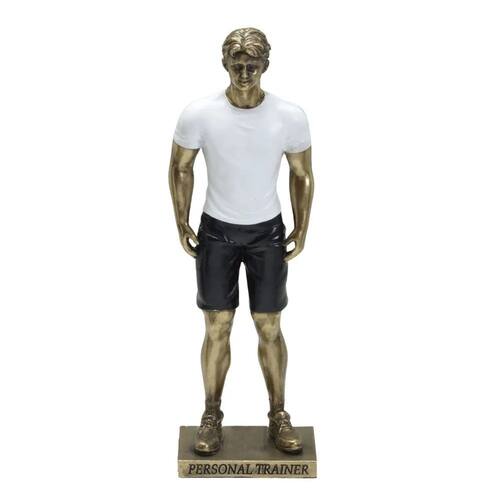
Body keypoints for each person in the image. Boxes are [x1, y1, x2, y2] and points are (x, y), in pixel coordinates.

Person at [169, 27, 314, 455]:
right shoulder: (199, 114)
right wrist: (181, 220)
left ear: (266, 65)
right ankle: (211, 414)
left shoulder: (289, 116)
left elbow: (302, 174)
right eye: (237, 64)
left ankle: (278, 414)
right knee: (217, 326)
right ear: (225, 64)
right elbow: (180, 167)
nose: (245, 72)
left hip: (266, 233)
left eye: (253, 65)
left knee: (269, 325)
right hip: (217, 232)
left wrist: (302, 226)